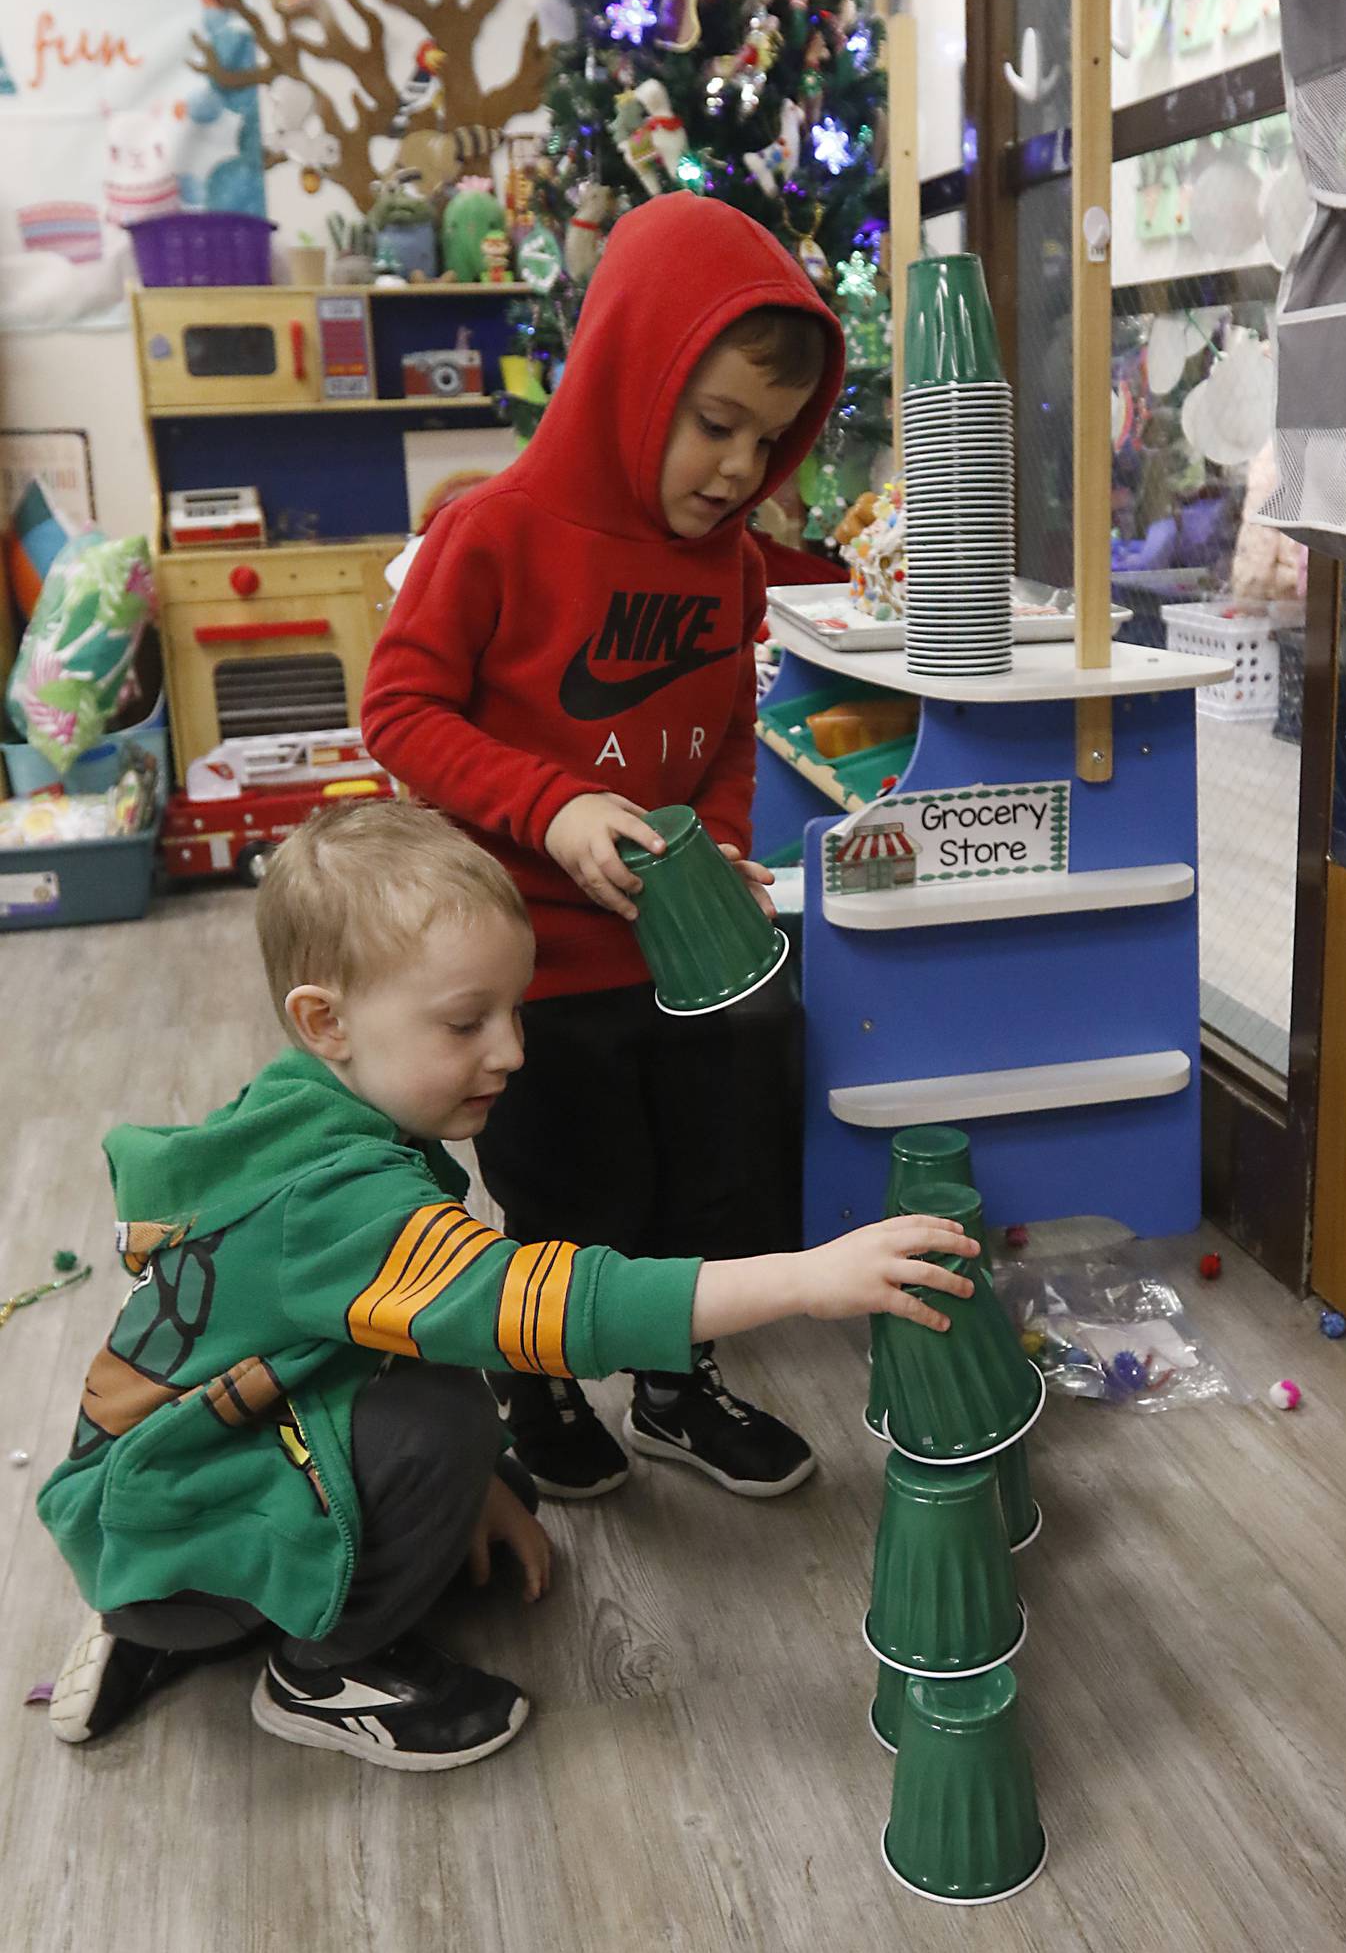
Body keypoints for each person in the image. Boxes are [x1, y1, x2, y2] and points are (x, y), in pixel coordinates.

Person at [37, 801, 977, 1772]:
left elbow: (355, 1328)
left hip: (164, 1482)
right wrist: (808, 1279)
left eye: (514, 1009)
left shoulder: (302, 1106)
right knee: (444, 1415)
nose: (513, 1051)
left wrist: (479, 1482)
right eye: (465, 1021)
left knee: (468, 1445)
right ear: (326, 1020)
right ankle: (321, 1669)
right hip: (162, 1514)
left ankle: (166, 1607)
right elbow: (549, 1308)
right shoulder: (336, 1199)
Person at [363, 192, 848, 1502]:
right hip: (532, 963)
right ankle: (540, 1382)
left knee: (713, 1166)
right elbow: (399, 708)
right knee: (572, 1185)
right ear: (632, 373)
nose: (741, 470)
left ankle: (682, 1385)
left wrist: (730, 843)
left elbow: (734, 724)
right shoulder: (496, 533)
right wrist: (551, 804)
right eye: (716, 424)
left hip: (680, 948)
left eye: (770, 438)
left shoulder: (732, 561)